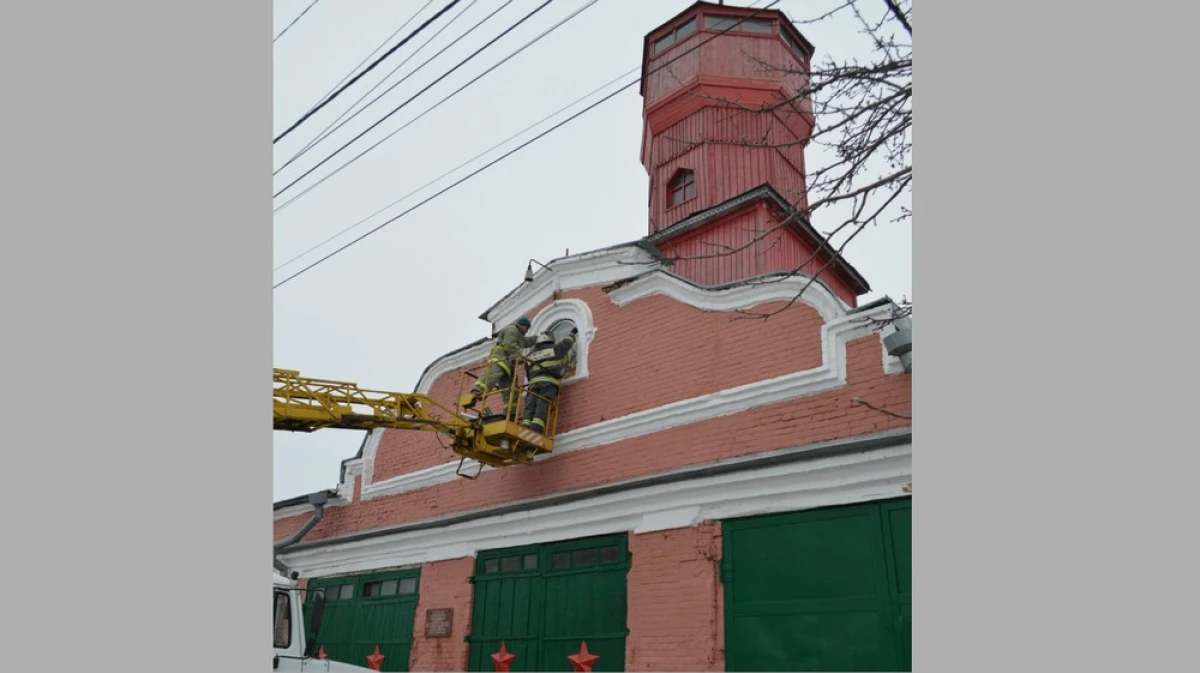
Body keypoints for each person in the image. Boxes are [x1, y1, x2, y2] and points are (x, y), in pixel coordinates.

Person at [460, 315, 537, 418]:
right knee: (492, 375)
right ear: (522, 326)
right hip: (500, 359)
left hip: (507, 365)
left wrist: (536, 339)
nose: (527, 331)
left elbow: (524, 342)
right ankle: (475, 393)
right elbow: (510, 346)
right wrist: (518, 357)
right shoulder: (512, 330)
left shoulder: (517, 334)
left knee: (511, 389)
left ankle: (510, 413)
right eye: (527, 328)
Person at [519, 326, 578, 433]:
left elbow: (528, 373)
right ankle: (537, 426)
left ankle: (525, 425)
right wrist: (572, 334)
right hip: (548, 383)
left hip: (533, 385)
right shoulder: (554, 349)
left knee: (530, 405)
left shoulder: (530, 355)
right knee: (543, 402)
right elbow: (566, 344)